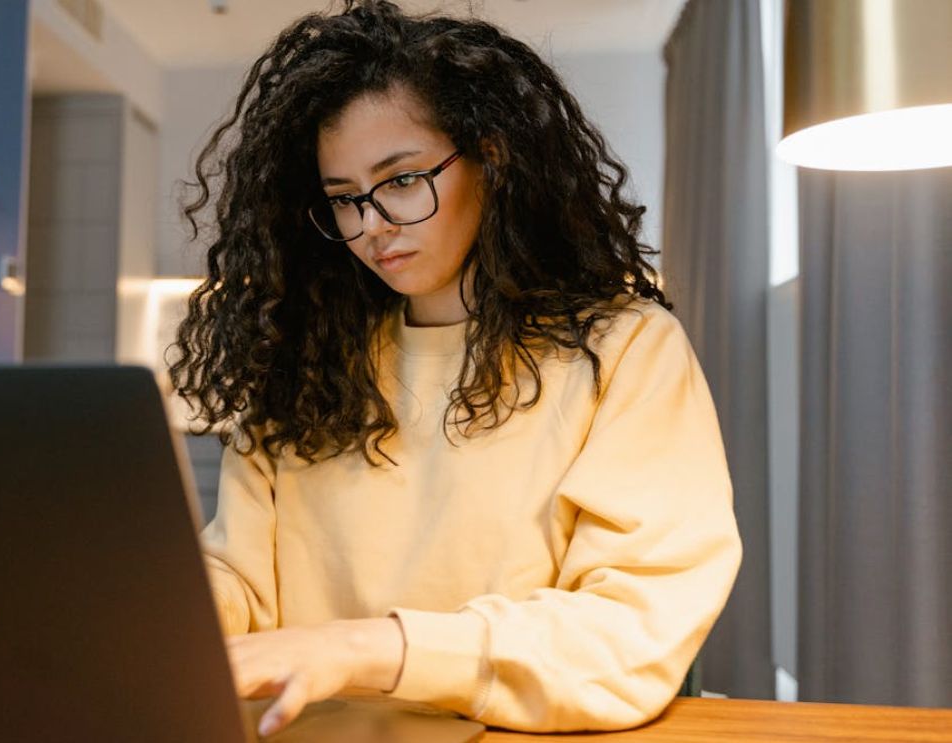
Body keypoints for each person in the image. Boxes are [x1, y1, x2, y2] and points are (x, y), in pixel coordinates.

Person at [167, 0, 742, 736]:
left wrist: (365, 648)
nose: (370, 226)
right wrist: (155, 618)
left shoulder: (624, 349)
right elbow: (240, 581)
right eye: (343, 200)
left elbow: (631, 627)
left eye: (401, 180)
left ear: (492, 158)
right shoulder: (302, 361)